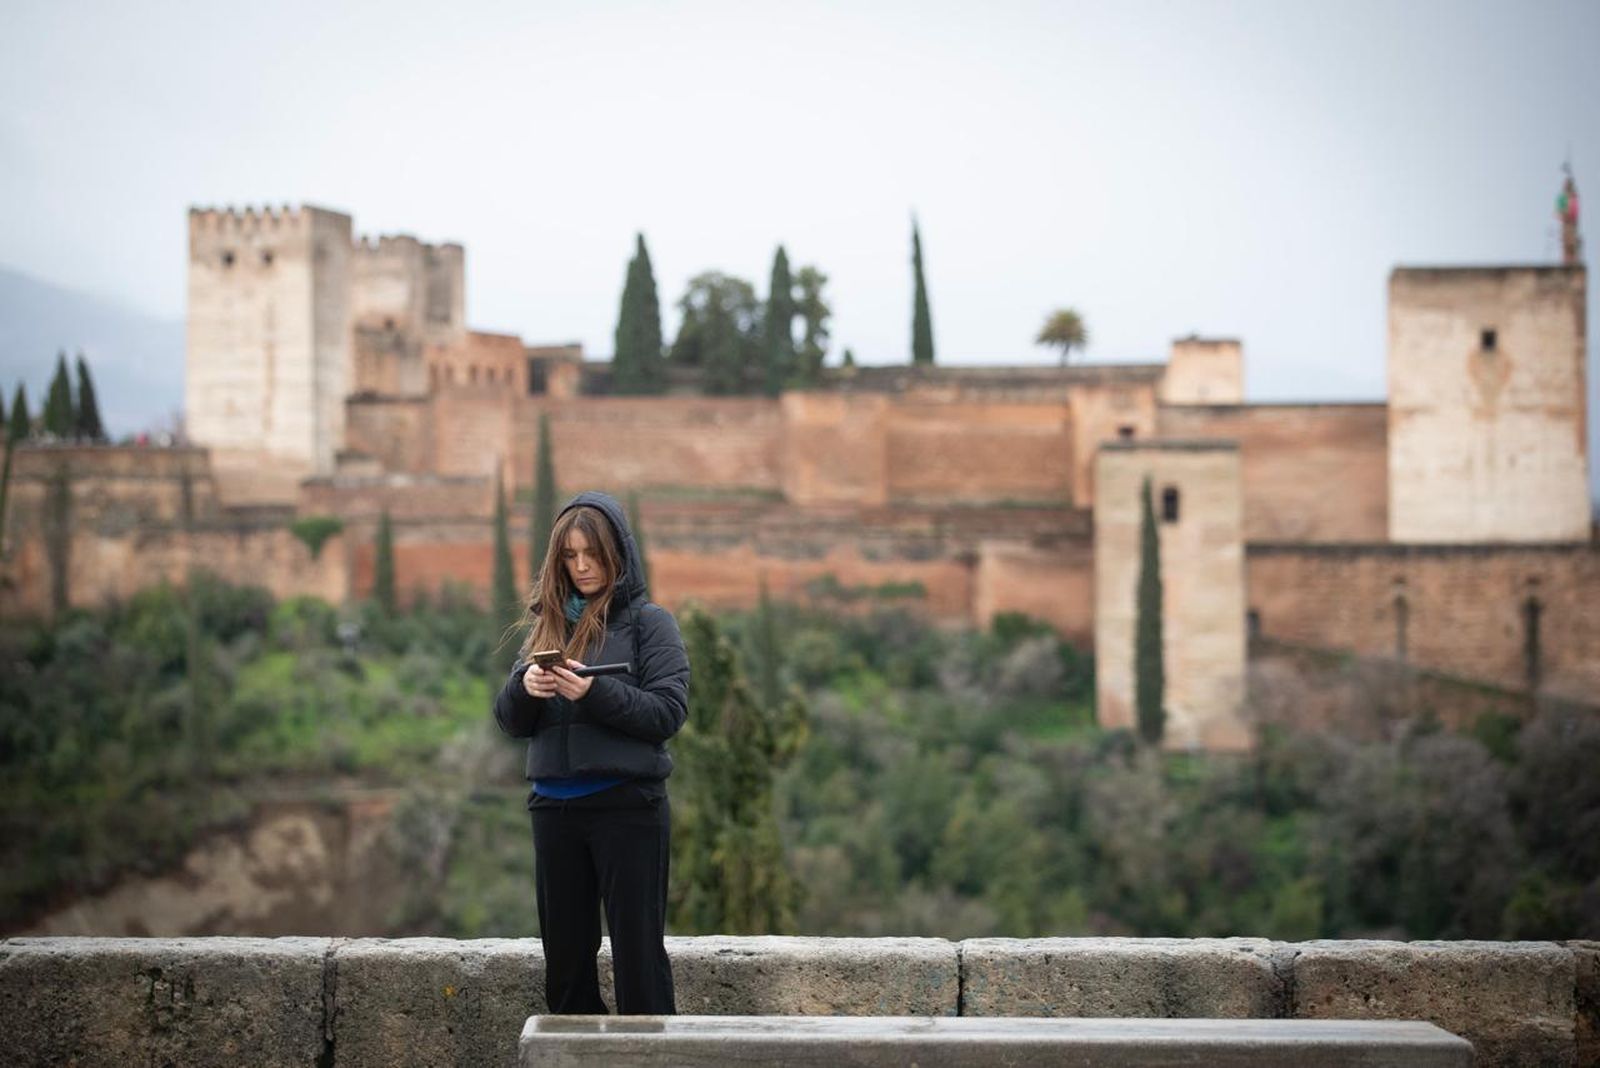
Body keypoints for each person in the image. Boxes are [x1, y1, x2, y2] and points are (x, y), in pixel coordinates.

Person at [492, 491, 690, 1015]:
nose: (582, 567)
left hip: (628, 809)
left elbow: (668, 713)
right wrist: (524, 687)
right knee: (565, 968)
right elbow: (510, 723)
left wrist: (593, 692)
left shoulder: (652, 623)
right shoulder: (548, 625)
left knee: (639, 962)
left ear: (618, 553)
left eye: (593, 554)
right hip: (553, 812)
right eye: (570, 556)